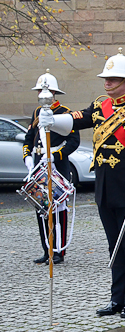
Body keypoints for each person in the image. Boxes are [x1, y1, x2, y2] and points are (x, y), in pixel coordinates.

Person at [39, 48, 125, 319]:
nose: (107, 83)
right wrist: (52, 120)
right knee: (114, 244)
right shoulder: (101, 106)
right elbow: (78, 120)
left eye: (113, 79)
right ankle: (117, 298)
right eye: (106, 78)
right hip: (105, 187)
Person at [23, 71, 80, 265]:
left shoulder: (65, 113)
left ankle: (59, 251)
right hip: (39, 164)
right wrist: (27, 157)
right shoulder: (37, 112)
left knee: (58, 208)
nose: (41, 95)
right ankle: (46, 249)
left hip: (57, 165)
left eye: (45, 91)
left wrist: (56, 156)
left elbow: (73, 141)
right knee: (42, 207)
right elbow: (29, 137)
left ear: (54, 93)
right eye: (39, 91)